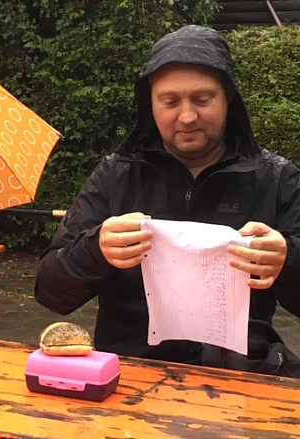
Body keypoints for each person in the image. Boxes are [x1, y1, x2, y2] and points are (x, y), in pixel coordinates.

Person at [34, 25, 300, 369]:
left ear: (229, 97)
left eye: (202, 99)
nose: (187, 116)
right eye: (170, 101)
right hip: (132, 373)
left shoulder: (276, 179)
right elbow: (50, 292)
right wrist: (96, 249)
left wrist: (287, 261)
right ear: (150, 103)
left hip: (242, 375)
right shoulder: (116, 176)